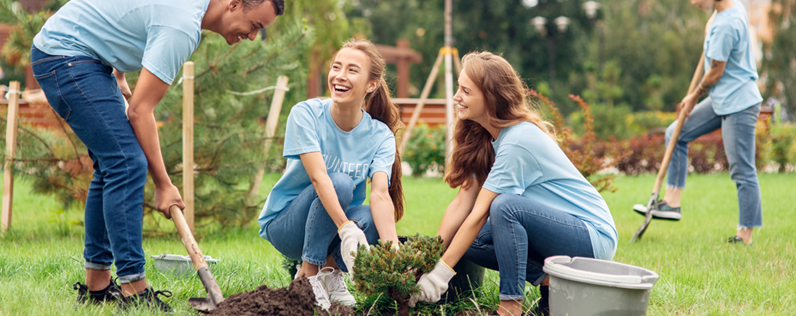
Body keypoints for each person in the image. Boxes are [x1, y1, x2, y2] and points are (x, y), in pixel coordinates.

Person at [30, 0, 283, 312]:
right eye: (255, 26)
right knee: (126, 163)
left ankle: (97, 287)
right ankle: (134, 289)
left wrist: (119, 70)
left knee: (112, 165)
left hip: (78, 53)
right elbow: (140, 111)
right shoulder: (182, 26)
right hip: (67, 54)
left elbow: (132, 12)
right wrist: (164, 185)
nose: (254, 36)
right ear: (233, 4)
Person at [408, 52, 618, 316]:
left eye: (465, 90)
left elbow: (482, 210)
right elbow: (463, 203)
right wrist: (428, 261)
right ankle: (553, 284)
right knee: (471, 239)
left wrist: (440, 276)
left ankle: (509, 307)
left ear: (490, 98)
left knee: (504, 207)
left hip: (590, 236)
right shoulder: (485, 137)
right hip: (560, 234)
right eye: (458, 88)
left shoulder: (518, 139)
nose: (456, 96)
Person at [257, 38, 405, 309]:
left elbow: (381, 195)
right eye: (336, 67)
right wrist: (346, 227)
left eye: (352, 70)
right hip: (288, 226)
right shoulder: (306, 114)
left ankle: (330, 272)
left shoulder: (380, 135)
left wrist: (393, 253)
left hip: (332, 226)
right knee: (340, 181)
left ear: (372, 85)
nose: (340, 75)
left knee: (373, 218)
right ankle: (308, 277)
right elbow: (319, 178)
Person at [634, 0, 763, 245]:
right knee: (676, 132)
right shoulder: (727, 8)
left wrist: (693, 96)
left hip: (739, 102)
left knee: (742, 169)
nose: (692, 2)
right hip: (721, 98)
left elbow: (716, 71)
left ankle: (744, 235)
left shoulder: (727, 23)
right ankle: (672, 202)